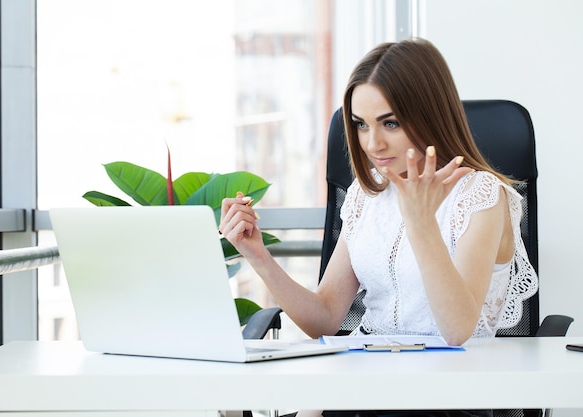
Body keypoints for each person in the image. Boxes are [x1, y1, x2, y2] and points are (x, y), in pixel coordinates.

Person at [219, 38, 538, 417]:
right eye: (360, 125)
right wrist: (258, 256)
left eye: (390, 123)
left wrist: (421, 223)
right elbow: (324, 317)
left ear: (430, 115)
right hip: (370, 381)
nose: (373, 143)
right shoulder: (366, 195)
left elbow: (456, 331)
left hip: (450, 396)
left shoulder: (482, 196)